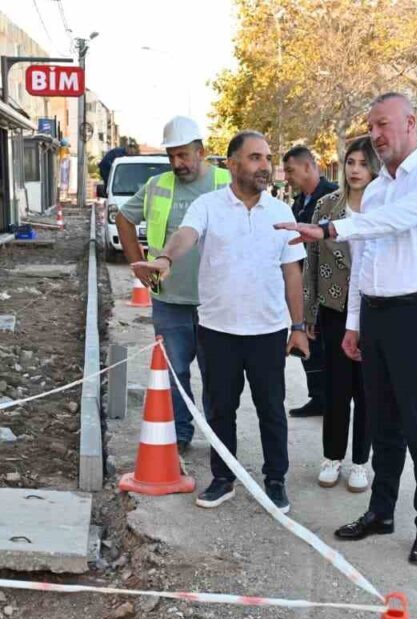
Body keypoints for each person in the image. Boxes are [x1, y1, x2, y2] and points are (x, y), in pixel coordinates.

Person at [276, 93, 417, 565]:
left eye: (383, 125)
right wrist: (353, 323)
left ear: (411, 123)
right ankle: (381, 511)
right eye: (371, 126)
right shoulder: (376, 190)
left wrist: (333, 229)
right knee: (382, 423)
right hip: (375, 316)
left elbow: (393, 224)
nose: (376, 134)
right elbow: (365, 263)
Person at [132, 130, 309, 513]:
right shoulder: (209, 206)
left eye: (266, 158)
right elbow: (186, 235)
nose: (265, 166)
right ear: (232, 164)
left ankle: (275, 480)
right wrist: (164, 259)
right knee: (219, 409)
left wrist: (298, 328)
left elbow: (292, 273)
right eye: (255, 158)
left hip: (267, 330)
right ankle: (223, 478)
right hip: (218, 330)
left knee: (271, 410)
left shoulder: (281, 212)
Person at [116, 117, 230, 451]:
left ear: (201, 152)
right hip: (169, 300)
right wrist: (136, 263)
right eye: (172, 156)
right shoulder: (158, 186)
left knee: (217, 377)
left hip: (215, 301)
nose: (177, 163)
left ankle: (219, 437)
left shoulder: (225, 183)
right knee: (175, 373)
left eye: (183, 155)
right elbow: (124, 218)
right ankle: (181, 434)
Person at [303, 137, 379, 493]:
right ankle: (332, 457)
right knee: (335, 390)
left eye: (363, 163)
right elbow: (312, 262)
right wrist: (308, 313)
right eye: (351, 162)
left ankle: (361, 462)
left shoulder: (386, 206)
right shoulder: (326, 205)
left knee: (367, 391)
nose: (355, 170)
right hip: (334, 310)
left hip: (375, 312)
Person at [284, 146, 339, 418]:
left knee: (325, 342)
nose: (286, 177)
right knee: (309, 341)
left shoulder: (332, 197)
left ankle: (331, 398)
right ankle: (317, 396)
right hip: (305, 282)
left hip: (327, 283)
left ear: (308, 167)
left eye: (290, 170)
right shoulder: (300, 201)